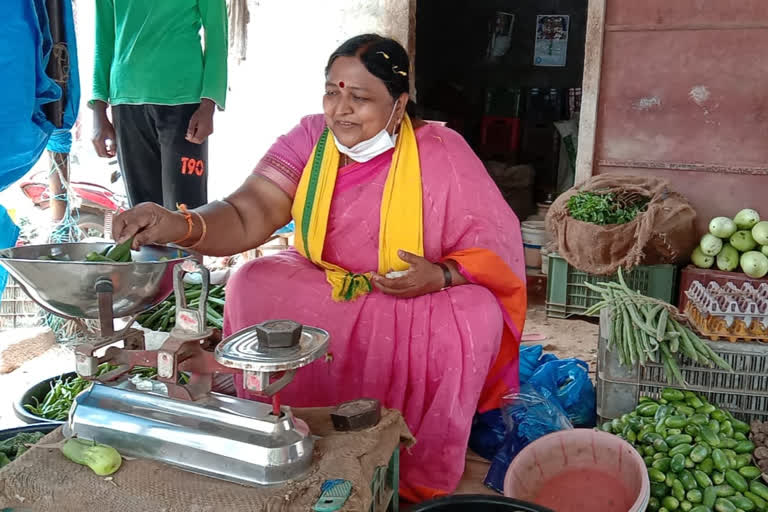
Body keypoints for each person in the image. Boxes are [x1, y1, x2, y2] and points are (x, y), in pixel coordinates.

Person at [112, 34, 526, 501]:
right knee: (252, 280)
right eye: (332, 92)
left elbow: (496, 243)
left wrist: (442, 275)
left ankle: (412, 457)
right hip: (327, 284)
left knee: (474, 316)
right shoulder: (310, 137)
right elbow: (251, 210)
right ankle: (284, 431)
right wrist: (178, 223)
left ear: (399, 103)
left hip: (414, 297)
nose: (341, 109)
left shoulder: (443, 149)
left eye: (361, 97)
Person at [90, 0, 228, 210]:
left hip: (184, 104)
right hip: (126, 102)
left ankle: (185, 245)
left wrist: (209, 103)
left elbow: (218, 37)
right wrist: (98, 109)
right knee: (143, 212)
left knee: (186, 210)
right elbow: (103, 41)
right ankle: (148, 246)